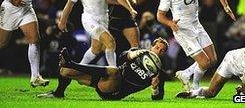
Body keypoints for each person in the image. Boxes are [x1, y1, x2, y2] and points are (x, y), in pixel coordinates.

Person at [157, 0, 236, 91]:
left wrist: (225, 6)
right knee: (204, 62)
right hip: (182, 29)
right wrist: (170, 23)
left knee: (213, 59)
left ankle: (186, 74)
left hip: (196, 25)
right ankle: (195, 86)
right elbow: (160, 15)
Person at [37, 37, 169, 100]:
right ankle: (58, 93)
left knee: (114, 71)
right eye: (157, 47)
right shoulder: (137, 52)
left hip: (114, 91)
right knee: (64, 72)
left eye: (162, 50)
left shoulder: (159, 73)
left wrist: (155, 88)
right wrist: (132, 54)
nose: (159, 51)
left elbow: (157, 99)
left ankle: (71, 63)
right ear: (152, 46)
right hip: (103, 80)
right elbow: (121, 58)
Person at [176, 46, 245, 98]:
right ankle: (191, 94)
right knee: (211, 93)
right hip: (231, 60)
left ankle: (241, 93)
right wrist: (243, 90)